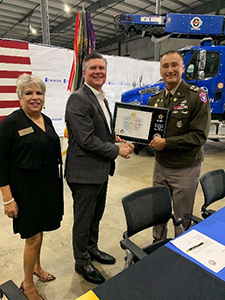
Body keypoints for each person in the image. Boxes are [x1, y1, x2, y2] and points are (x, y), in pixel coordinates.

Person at [65, 53, 132, 284]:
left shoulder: (101, 98)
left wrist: (117, 138)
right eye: (93, 68)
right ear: (84, 73)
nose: (98, 71)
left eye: (101, 68)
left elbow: (101, 132)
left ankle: (92, 249)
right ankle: (81, 261)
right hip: (83, 173)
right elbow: (86, 139)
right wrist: (117, 150)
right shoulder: (78, 99)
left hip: (100, 170)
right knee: (83, 220)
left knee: (95, 215)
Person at [133, 50, 211, 240]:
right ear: (160, 70)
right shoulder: (155, 100)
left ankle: (180, 248)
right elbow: (148, 133)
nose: (170, 70)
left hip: (185, 168)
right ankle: (157, 243)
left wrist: (166, 143)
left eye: (174, 65)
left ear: (183, 68)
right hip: (160, 167)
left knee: (182, 216)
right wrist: (131, 146)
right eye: (165, 66)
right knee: (158, 211)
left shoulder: (197, 97)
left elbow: (199, 136)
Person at [0, 74, 64, 300]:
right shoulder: (10, 123)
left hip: (46, 187)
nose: (35, 97)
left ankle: (37, 267)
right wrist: (7, 199)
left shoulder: (46, 119)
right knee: (32, 237)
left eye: (39, 93)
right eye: (29, 93)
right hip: (25, 190)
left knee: (41, 231)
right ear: (19, 97)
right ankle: (28, 285)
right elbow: (1, 163)